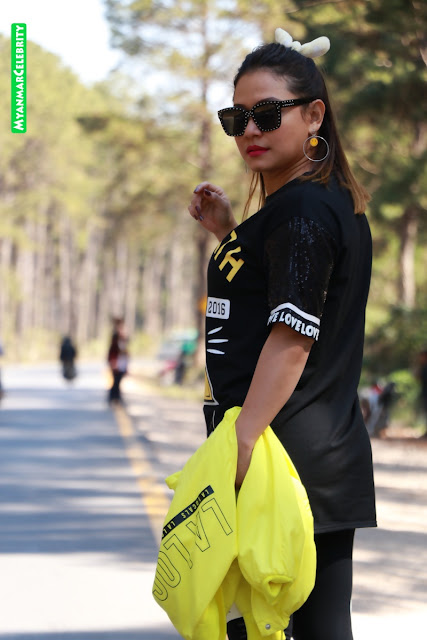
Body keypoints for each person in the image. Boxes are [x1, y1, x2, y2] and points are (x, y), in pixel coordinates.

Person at [188, 28, 376, 640]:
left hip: (281, 458)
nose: (249, 130)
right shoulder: (317, 205)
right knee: (315, 628)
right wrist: (231, 234)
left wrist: (242, 444)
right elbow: (278, 293)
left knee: (259, 630)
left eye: (267, 114)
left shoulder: (302, 211)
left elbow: (291, 338)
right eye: (236, 118)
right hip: (309, 455)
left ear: (314, 115)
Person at [107, 318, 129, 404]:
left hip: (121, 362)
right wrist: (113, 361)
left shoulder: (122, 337)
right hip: (116, 361)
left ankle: (116, 396)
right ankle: (113, 396)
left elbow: (125, 349)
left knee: (118, 380)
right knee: (116, 380)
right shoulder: (115, 336)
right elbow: (113, 350)